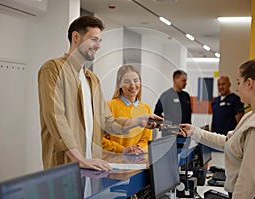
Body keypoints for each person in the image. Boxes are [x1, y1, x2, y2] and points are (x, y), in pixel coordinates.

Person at [38, 16, 162, 171]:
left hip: (94, 165)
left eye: (100, 41)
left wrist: (139, 121)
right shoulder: (53, 69)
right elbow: (56, 118)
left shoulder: (92, 79)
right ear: (76, 37)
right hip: (66, 165)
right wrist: (80, 159)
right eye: (93, 39)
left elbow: (107, 121)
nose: (97, 46)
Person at [180, 54, 255, 199]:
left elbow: (249, 182)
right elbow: (228, 142)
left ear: (250, 83)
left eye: (238, 82)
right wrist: (195, 132)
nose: (237, 88)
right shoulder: (254, 115)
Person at [103, 65, 152, 155]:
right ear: (119, 84)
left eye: (136, 81)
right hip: (113, 160)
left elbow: (146, 139)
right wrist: (122, 150)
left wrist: (138, 149)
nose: (133, 85)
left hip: (138, 160)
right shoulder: (109, 106)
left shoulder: (147, 109)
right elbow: (100, 139)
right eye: (127, 82)